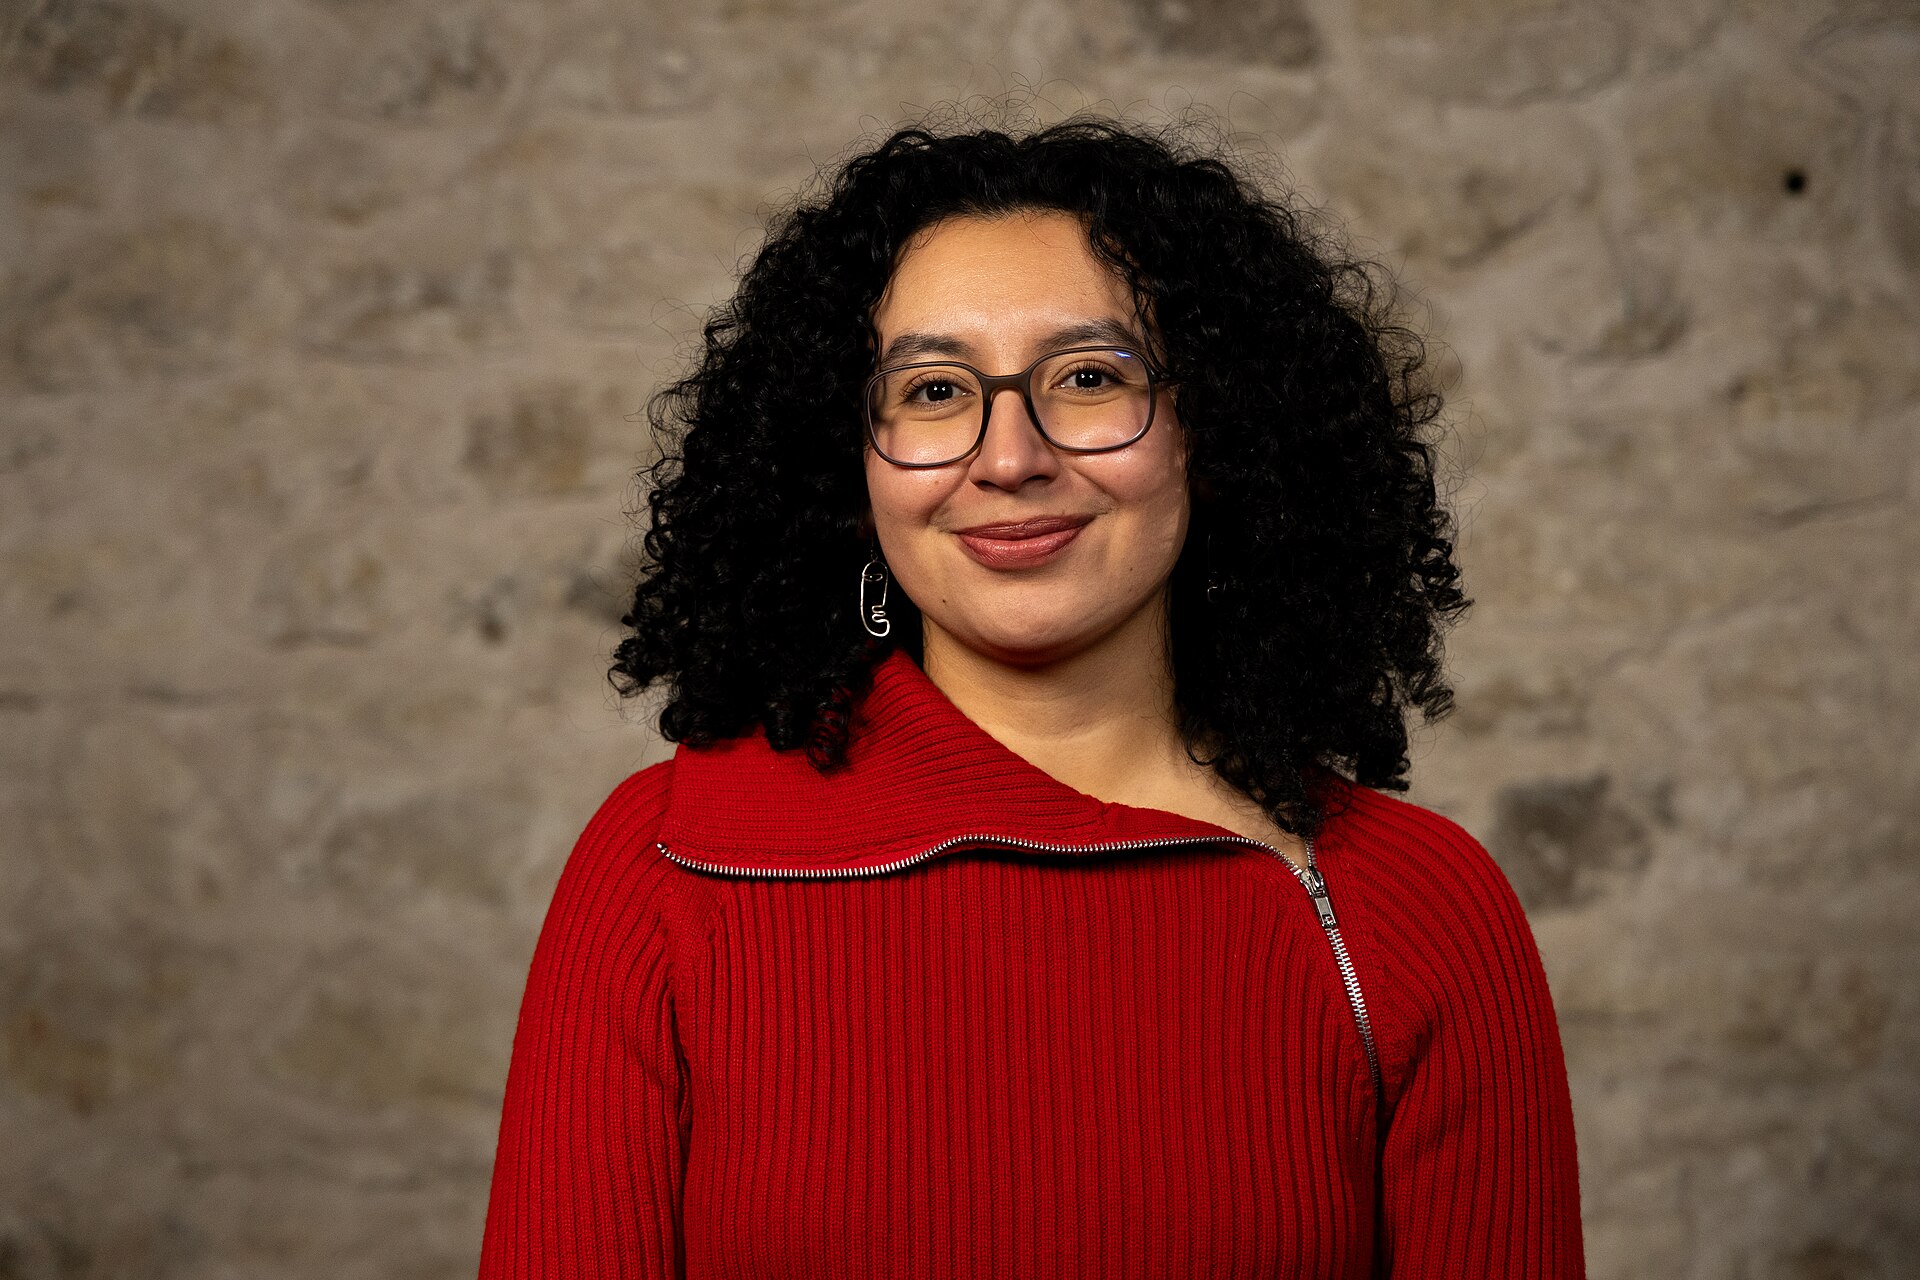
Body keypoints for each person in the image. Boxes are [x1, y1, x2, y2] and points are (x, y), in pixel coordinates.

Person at [478, 111, 1584, 1278]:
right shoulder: (666, 868)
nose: (1010, 456)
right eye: (935, 390)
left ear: (1216, 431)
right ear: (846, 467)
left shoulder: (1411, 911)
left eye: (1091, 376)